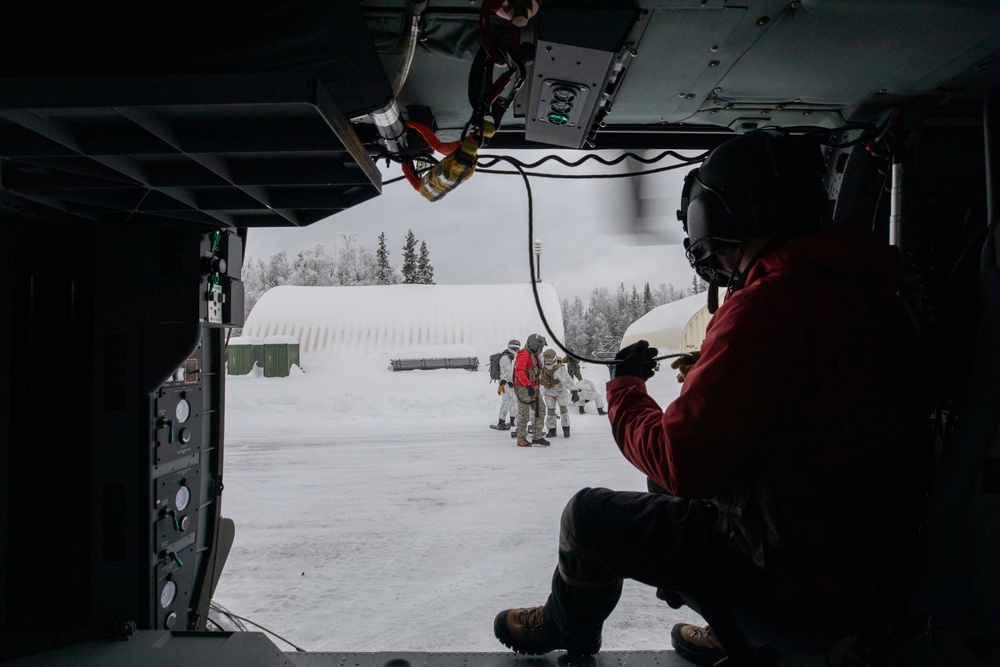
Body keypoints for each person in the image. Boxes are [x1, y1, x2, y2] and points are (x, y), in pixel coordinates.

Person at [492, 130, 922, 664]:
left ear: (730, 215)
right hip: (863, 545)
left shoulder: (771, 303)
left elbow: (681, 462)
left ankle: (567, 625)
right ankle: (736, 626)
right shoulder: (860, 284)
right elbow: (816, 402)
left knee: (589, 517)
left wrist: (626, 390)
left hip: (801, 566)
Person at [512, 333, 551, 447]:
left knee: (541, 411)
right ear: (535, 345)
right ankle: (521, 439)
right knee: (524, 414)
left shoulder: (533, 355)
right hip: (524, 388)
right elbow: (519, 371)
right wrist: (528, 385)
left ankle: (537, 437)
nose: (541, 349)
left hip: (534, 387)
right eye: (540, 347)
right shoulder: (523, 355)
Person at [539, 349, 579, 438]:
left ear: (554, 359)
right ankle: (551, 429)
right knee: (550, 410)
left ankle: (566, 428)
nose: (548, 363)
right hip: (549, 390)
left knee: (563, 408)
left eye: (550, 361)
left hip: (561, 390)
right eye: (546, 361)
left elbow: (568, 380)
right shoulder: (541, 363)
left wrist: (574, 391)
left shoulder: (559, 368)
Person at [491, 339, 520, 431]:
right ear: (509, 347)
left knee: (514, 401)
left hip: (512, 382)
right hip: (506, 383)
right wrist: (503, 383)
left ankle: (513, 420)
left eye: (517, 348)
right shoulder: (505, 357)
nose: (515, 349)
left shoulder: (513, 356)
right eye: (514, 348)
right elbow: (505, 371)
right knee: (506, 402)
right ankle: (501, 422)